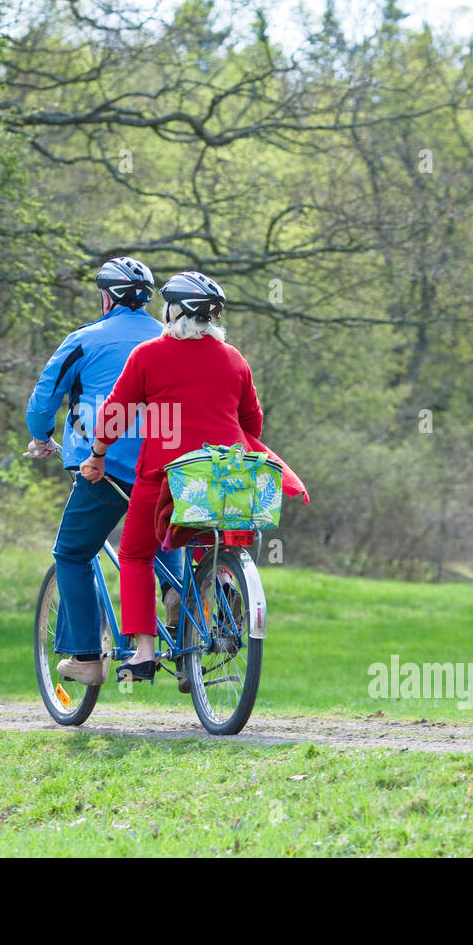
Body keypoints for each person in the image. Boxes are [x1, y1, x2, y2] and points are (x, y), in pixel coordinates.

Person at [79, 270, 307, 683]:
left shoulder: (149, 355)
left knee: (135, 554)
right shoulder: (234, 358)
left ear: (174, 310)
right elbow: (252, 422)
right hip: (225, 479)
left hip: (165, 479)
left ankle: (144, 653)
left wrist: (97, 456)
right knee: (208, 541)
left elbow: (115, 413)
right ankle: (209, 613)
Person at [25, 257, 184, 686]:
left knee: (73, 552)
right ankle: (177, 598)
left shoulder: (84, 339)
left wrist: (41, 437)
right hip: (164, 463)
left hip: (105, 464)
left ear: (107, 296)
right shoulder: (169, 338)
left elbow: (44, 399)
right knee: (161, 533)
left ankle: (86, 657)